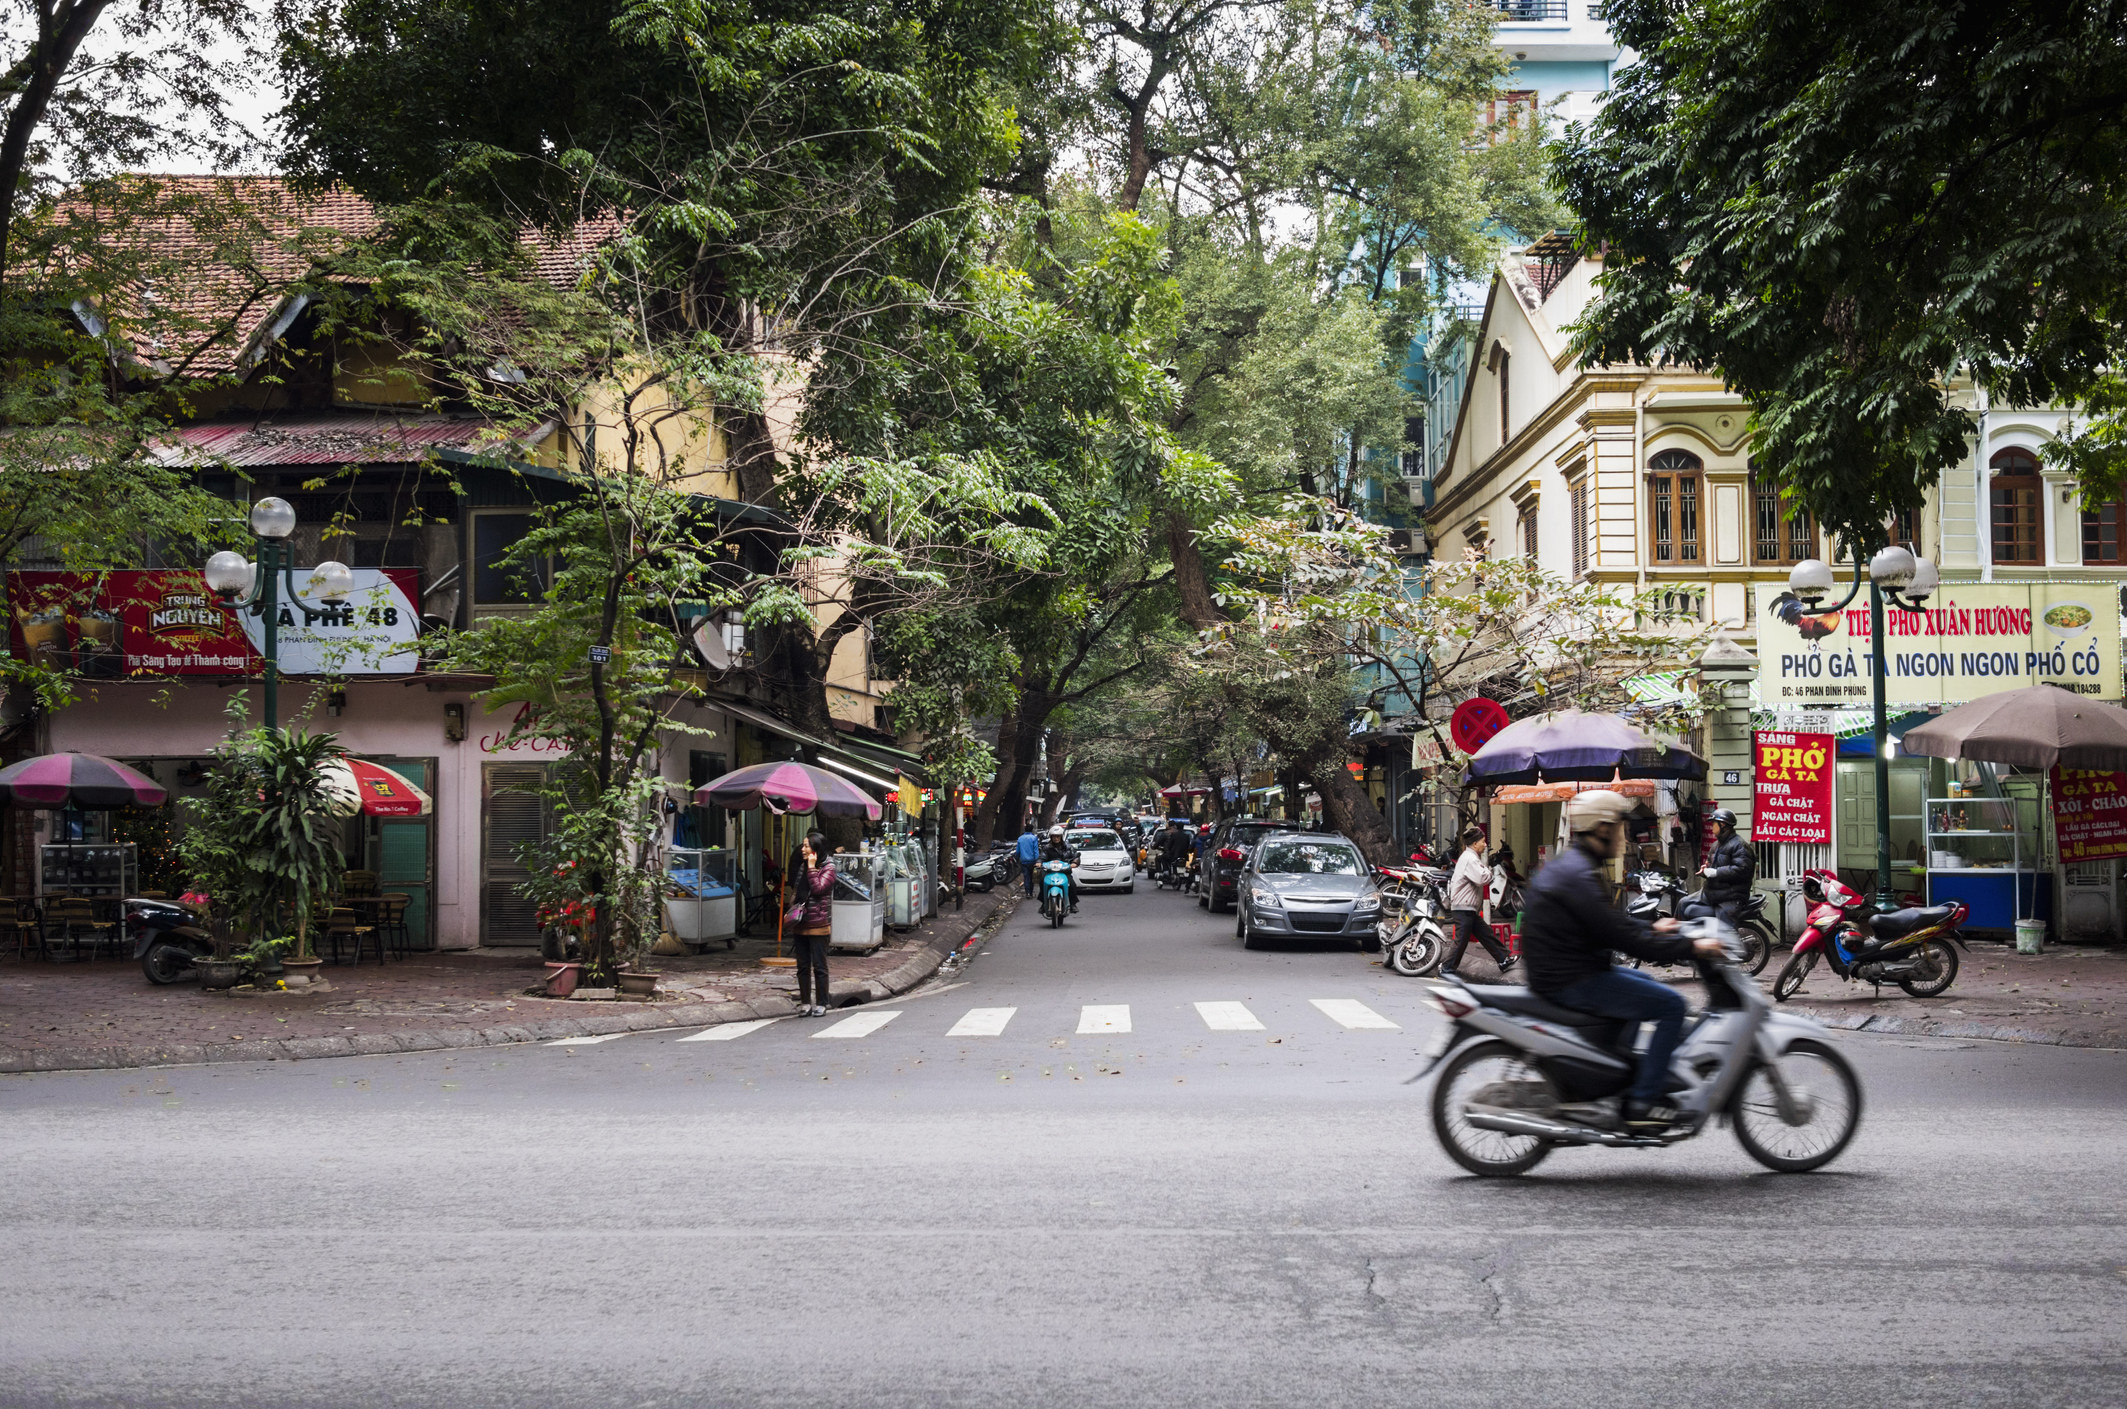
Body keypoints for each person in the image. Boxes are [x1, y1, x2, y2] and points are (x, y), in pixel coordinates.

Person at [1518, 790, 1724, 1131]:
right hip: (1573, 980)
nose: (1625, 838)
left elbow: (1609, 925)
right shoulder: (1581, 876)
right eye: (1620, 829)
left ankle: (1624, 1071)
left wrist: (1655, 927)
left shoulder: (1575, 866)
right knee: (1671, 1005)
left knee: (1644, 985)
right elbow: (1624, 938)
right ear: (1602, 830)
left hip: (1570, 969)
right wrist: (1691, 947)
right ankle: (1642, 1101)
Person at [1442, 824, 1515, 979]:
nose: (1485, 844)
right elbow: (1482, 878)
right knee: (1461, 940)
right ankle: (1447, 968)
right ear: (1475, 844)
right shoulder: (1470, 859)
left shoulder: (1470, 857)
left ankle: (1503, 959)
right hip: (1464, 906)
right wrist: (1489, 871)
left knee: (1486, 934)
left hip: (1467, 906)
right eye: (1483, 841)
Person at [791, 830, 836, 1016]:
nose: (803, 849)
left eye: (806, 846)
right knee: (802, 965)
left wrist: (811, 868)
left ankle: (822, 1002)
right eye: (803, 845)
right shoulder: (803, 864)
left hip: (818, 923)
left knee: (819, 965)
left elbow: (818, 889)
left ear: (816, 849)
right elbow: (797, 888)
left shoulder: (829, 867)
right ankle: (805, 1002)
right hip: (801, 920)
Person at [1699, 807, 1755, 925]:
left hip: (1732, 896)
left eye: (1714, 824)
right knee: (1686, 905)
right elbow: (1711, 865)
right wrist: (1706, 870)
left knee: (1724, 929)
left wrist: (1715, 872)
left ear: (1723, 824)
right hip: (1715, 893)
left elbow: (1742, 870)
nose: (1712, 828)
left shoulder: (1739, 845)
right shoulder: (1716, 845)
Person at [1038, 823, 1079, 911]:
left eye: (1058, 836)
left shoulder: (1068, 847)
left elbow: (1075, 856)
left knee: (1072, 884)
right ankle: (1044, 903)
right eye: (1054, 836)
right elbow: (1042, 857)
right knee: (1042, 882)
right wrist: (1039, 863)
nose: (1056, 838)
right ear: (1051, 837)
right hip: (1049, 872)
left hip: (1065, 872)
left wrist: (1075, 863)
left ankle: (1072, 904)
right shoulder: (1046, 848)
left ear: (1061, 837)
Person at [1016, 823, 1041, 897]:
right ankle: (1031, 891)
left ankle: (1027, 893)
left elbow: (1017, 851)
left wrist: (1017, 858)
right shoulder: (1034, 838)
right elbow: (1036, 850)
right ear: (1032, 830)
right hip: (1032, 861)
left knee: (1026, 877)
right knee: (1032, 877)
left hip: (1023, 861)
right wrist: (1037, 860)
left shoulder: (1020, 838)